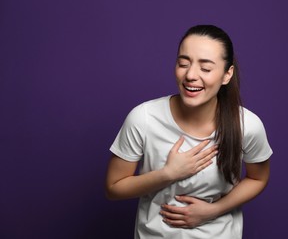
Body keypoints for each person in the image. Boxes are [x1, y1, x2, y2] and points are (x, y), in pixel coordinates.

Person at [106, 25, 273, 239]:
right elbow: (113, 187)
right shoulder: (143, 118)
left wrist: (213, 210)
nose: (191, 75)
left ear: (227, 74)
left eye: (205, 68)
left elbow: (258, 179)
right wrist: (168, 174)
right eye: (183, 63)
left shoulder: (247, 125)